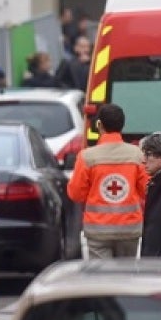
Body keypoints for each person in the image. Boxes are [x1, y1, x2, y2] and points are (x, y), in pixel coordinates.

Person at [66, 103, 149, 258]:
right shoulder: (137, 155)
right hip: (129, 229)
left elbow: (75, 194)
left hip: (98, 230)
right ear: (122, 126)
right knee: (126, 275)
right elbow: (147, 190)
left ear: (99, 125)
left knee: (101, 277)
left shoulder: (87, 156)